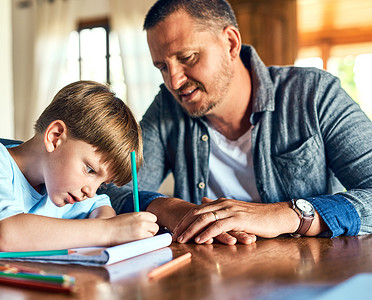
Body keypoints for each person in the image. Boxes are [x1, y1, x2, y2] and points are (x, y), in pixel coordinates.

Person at [100, 0, 372, 245]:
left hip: (308, 280)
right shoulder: (167, 107)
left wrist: (284, 215)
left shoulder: (314, 94)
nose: (173, 81)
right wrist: (170, 208)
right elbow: (109, 189)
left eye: (187, 58)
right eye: (162, 67)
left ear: (230, 43)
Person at [0, 80, 159, 251]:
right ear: (55, 137)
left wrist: (110, 223)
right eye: (90, 170)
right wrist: (111, 230)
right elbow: (7, 234)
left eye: (102, 184)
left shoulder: (60, 187)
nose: (90, 192)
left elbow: (101, 207)